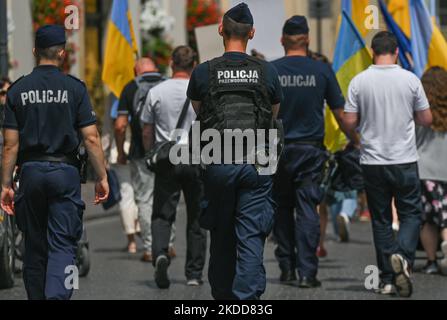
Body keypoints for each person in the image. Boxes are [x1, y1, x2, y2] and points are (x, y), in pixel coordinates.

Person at [0, 25, 109, 300]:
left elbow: (11, 144)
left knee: (34, 246)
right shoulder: (75, 89)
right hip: (65, 173)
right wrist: (102, 176)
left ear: (35, 51)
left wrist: (5, 185)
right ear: (62, 52)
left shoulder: (17, 90)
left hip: (31, 173)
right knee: (62, 245)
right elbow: (92, 139)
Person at [187, 3, 283, 300]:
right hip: (257, 164)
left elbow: (199, 113)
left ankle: (224, 296)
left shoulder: (203, 72)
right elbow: (273, 115)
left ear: (220, 30)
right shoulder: (267, 71)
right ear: (251, 33)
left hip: (218, 162)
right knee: (251, 235)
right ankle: (246, 299)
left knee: (221, 231)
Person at [272, 16, 359, 287]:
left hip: (278, 150)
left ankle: (286, 269)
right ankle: (308, 273)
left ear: (282, 40)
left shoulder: (271, 70)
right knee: (308, 209)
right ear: (307, 39)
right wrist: (355, 140)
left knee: (281, 210)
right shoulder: (321, 71)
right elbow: (341, 114)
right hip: (310, 152)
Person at [344, 31, 433, 297]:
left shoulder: (359, 81)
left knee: (381, 220)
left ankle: (386, 280)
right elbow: (426, 119)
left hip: (372, 160)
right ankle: (403, 257)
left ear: (373, 51)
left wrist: (358, 133)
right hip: (404, 159)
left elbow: (349, 121)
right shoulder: (410, 80)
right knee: (411, 214)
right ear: (395, 52)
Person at [141, 46, 206, 288]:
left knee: (162, 214)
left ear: (171, 64)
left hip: (167, 158)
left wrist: (150, 153)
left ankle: (160, 253)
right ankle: (194, 274)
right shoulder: (202, 91)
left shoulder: (157, 91)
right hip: (196, 156)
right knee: (197, 217)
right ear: (194, 65)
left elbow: (147, 129)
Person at [115, 58, 176, 261]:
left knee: (145, 199)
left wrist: (121, 151)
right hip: (170, 151)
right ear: (156, 68)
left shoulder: (131, 87)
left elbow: (120, 125)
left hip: (141, 153)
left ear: (136, 71)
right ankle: (169, 243)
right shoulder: (169, 83)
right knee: (169, 196)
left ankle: (150, 248)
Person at [417, 67, 447, 276]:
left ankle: (431, 261)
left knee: (428, 219)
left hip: (425, 169)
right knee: (446, 216)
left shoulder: (420, 109)